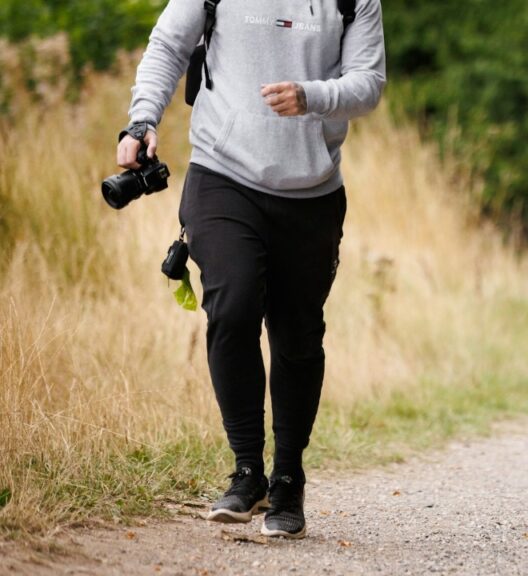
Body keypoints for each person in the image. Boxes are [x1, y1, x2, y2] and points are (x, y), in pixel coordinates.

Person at [116, 0, 386, 539]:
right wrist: (142, 120)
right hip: (223, 173)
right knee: (234, 305)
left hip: (311, 192)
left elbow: (368, 83)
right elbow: (168, 45)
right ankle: (246, 471)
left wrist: (313, 96)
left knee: (297, 336)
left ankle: (287, 478)